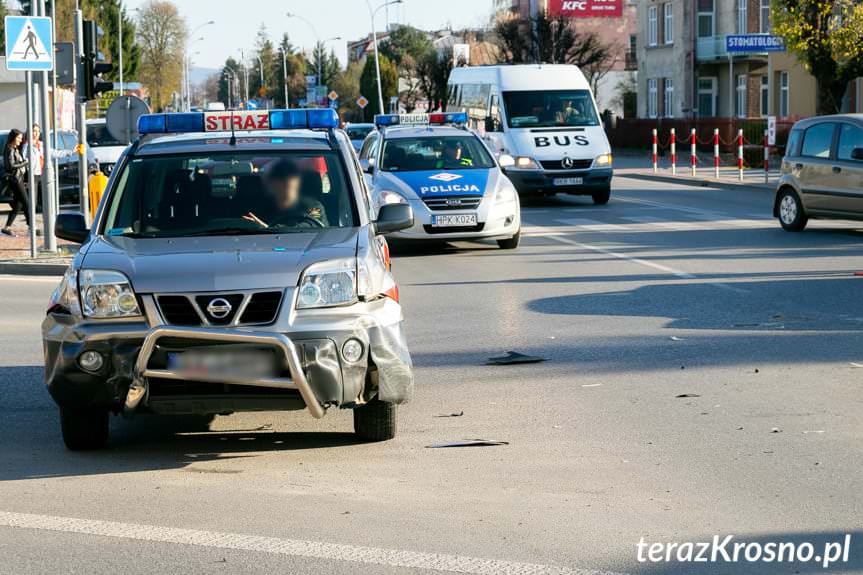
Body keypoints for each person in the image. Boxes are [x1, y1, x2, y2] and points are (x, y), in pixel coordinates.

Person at [242, 159, 328, 229]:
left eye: (291, 176)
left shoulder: (312, 206)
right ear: (271, 183)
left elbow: (313, 227)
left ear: (298, 181)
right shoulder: (260, 210)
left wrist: (269, 229)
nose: (287, 181)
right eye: (280, 177)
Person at [2, 129, 32, 237]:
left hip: (18, 179)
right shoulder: (9, 149)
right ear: (13, 138)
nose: (20, 140)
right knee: (27, 202)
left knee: (18, 205)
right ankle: (31, 227)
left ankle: (6, 228)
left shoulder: (14, 149)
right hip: (15, 180)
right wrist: (24, 162)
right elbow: (10, 166)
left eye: (21, 138)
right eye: (18, 138)